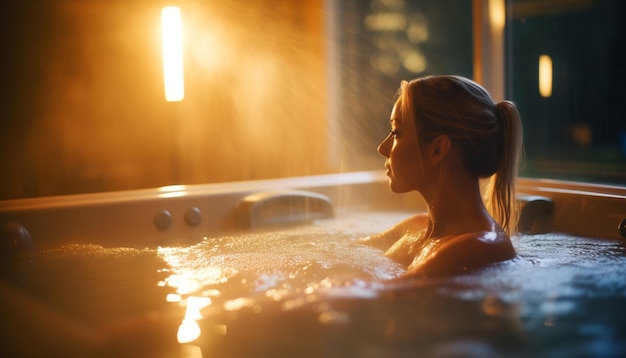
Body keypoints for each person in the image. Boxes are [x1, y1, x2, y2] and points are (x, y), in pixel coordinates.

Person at [364, 75, 523, 277]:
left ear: (437, 150)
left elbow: (374, 297)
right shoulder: (412, 228)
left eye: (396, 132)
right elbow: (343, 254)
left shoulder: (480, 247)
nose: (382, 148)